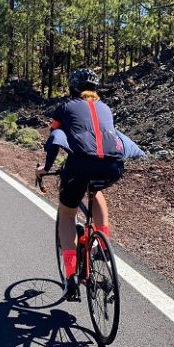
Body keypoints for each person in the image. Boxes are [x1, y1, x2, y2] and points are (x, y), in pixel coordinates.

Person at [36, 68, 126, 300]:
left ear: (71, 87)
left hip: (80, 166)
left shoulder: (65, 108)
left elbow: (55, 140)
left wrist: (45, 168)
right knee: (95, 193)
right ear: (95, 89)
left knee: (67, 214)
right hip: (113, 167)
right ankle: (103, 246)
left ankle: (71, 277)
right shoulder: (106, 108)